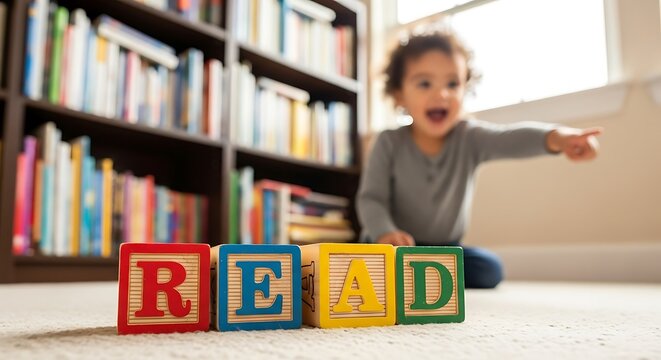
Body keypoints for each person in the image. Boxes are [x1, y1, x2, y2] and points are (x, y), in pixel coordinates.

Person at [356, 31, 602, 288]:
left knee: (489, 269)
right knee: (364, 266)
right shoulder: (388, 142)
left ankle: (420, 279)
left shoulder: (468, 138)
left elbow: (510, 138)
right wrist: (384, 232)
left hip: (443, 251)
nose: (441, 94)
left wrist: (559, 138)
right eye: (425, 83)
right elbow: (372, 199)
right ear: (399, 95)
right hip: (388, 245)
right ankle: (412, 277)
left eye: (452, 84)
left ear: (465, 89)